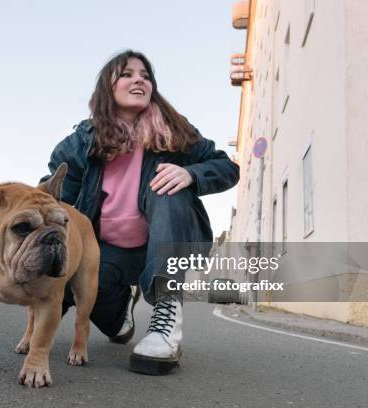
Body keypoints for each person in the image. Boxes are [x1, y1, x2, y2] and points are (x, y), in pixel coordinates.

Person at [40, 50, 239, 375]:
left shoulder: (174, 132)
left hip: (162, 245)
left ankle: (166, 313)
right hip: (105, 254)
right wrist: (57, 285)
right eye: (127, 74)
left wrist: (191, 174)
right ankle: (121, 312)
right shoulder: (80, 144)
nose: (139, 80)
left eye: (145, 76)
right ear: (108, 87)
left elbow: (226, 167)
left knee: (168, 184)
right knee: (112, 324)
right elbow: (58, 205)